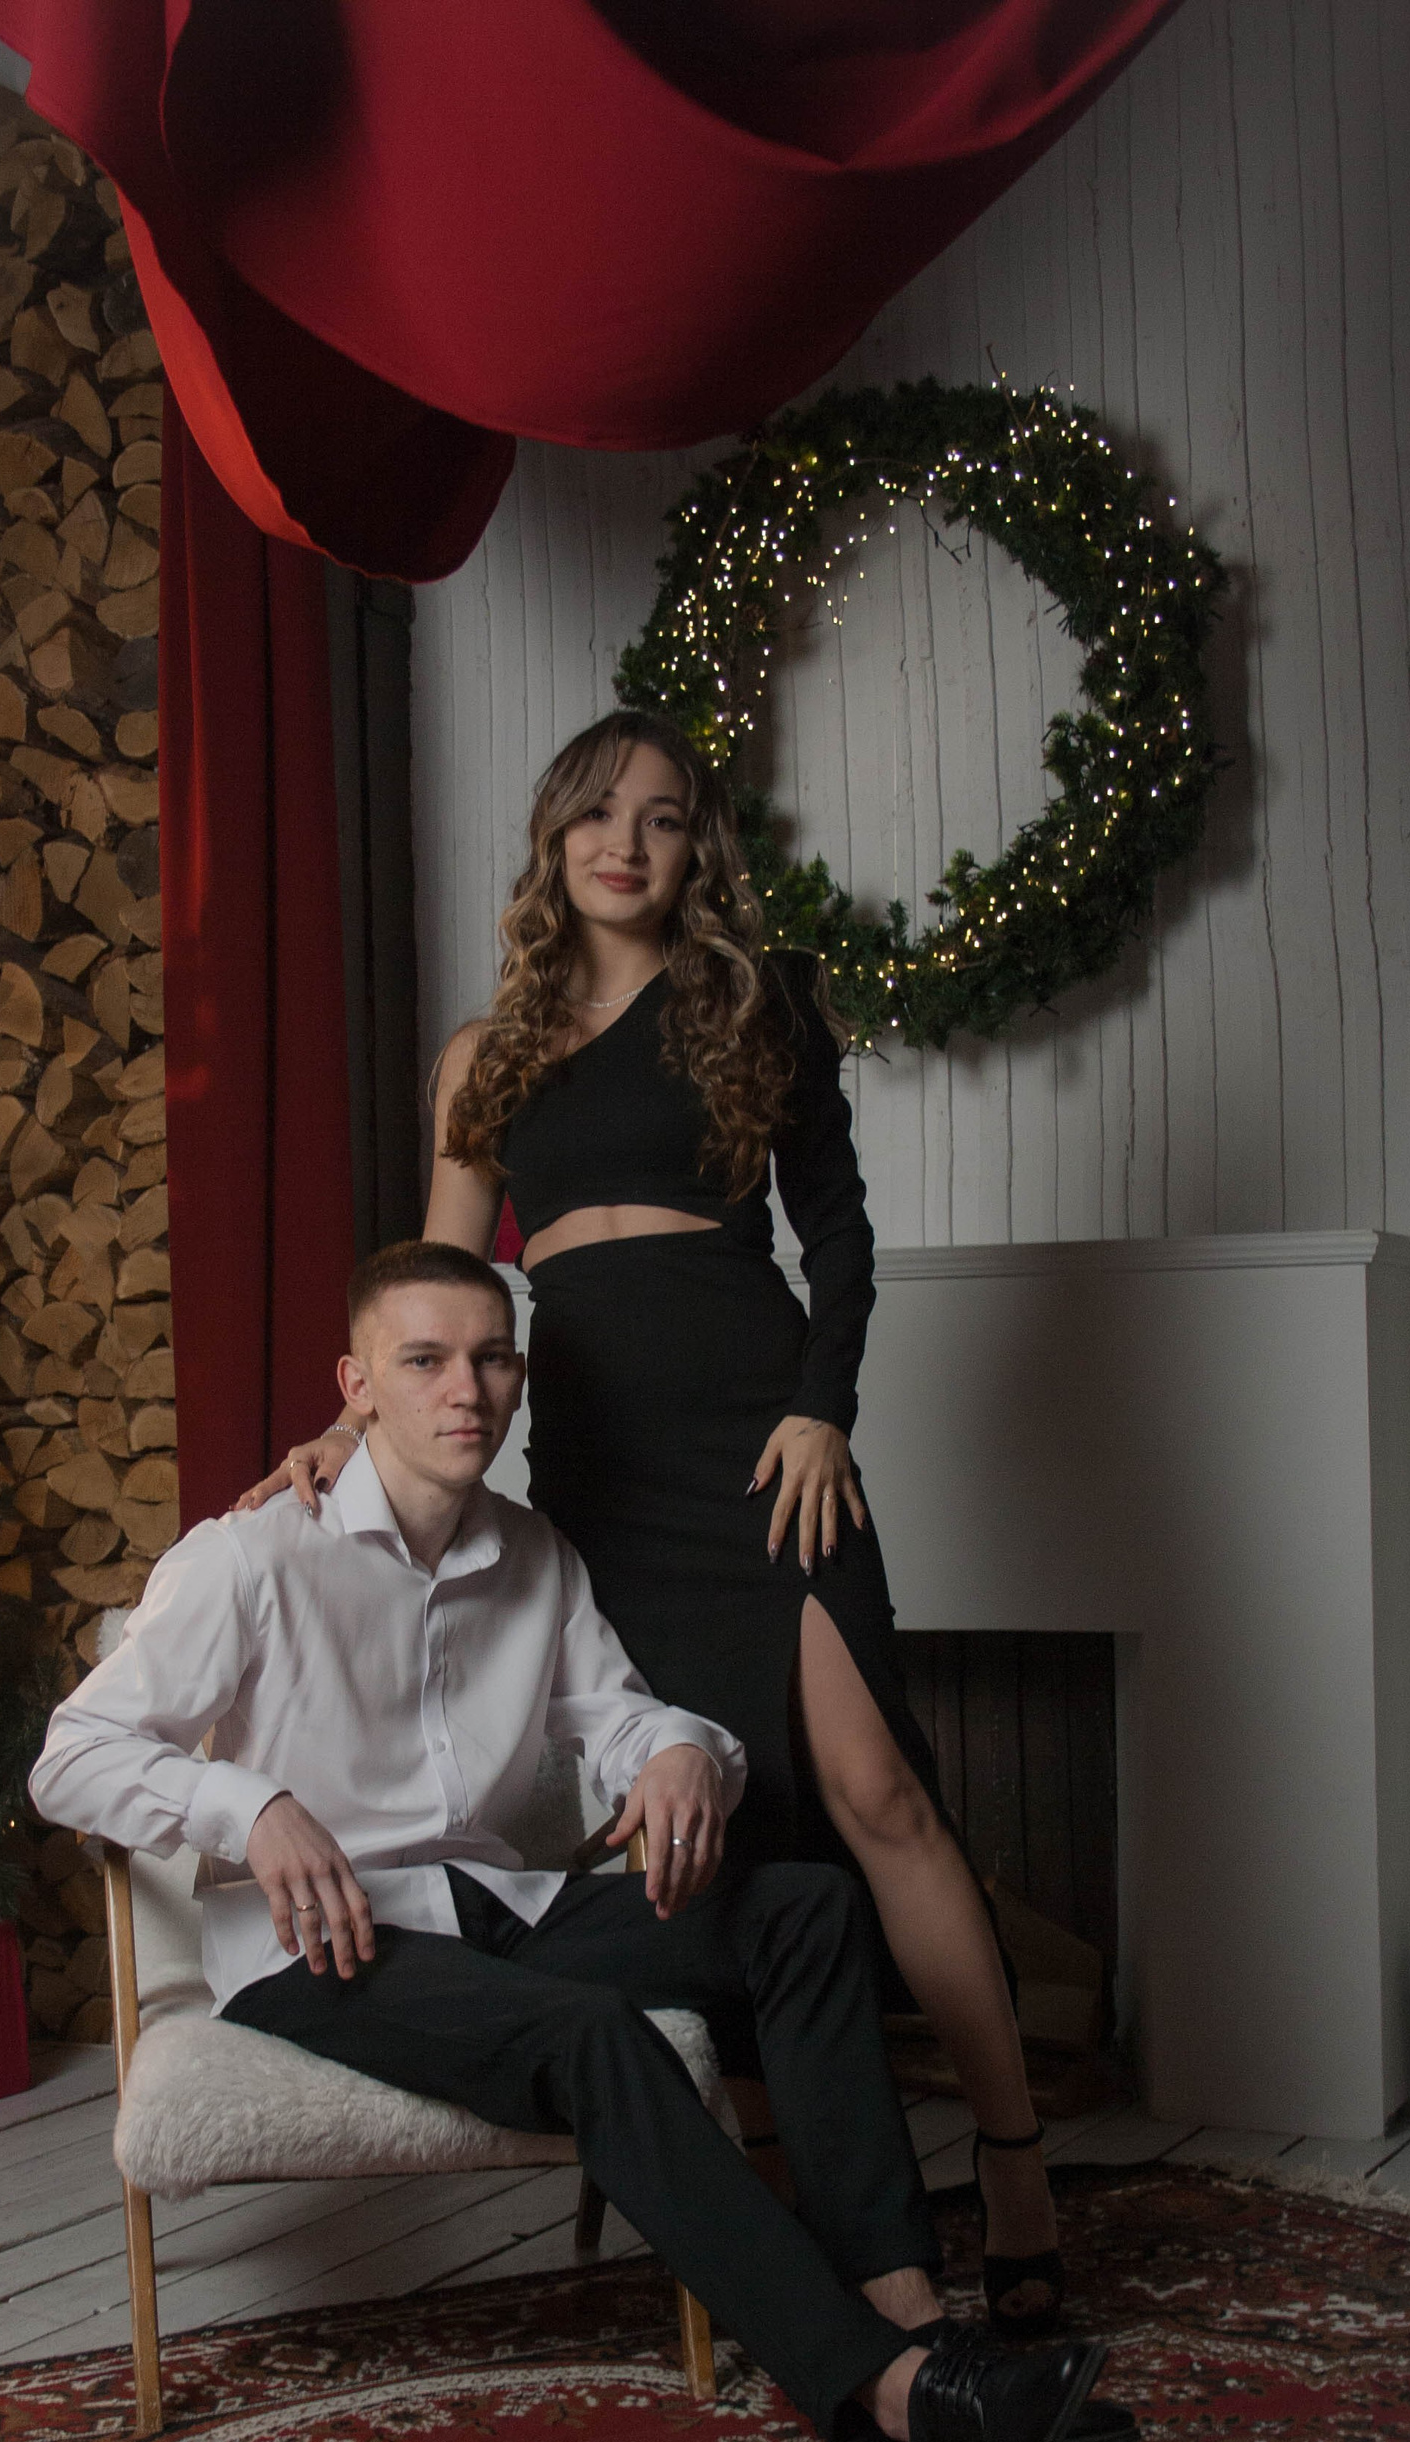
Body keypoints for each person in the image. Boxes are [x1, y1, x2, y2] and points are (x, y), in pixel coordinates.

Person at [34, 1243, 1114, 2442]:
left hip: (501, 1909)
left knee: (806, 1908)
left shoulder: (535, 1555)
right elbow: (71, 1756)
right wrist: (250, 1805)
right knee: (597, 2034)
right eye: (425, 1361)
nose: (467, 1390)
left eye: (493, 1359)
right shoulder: (252, 1558)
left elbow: (622, 1715)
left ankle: (913, 2315)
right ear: (356, 1386)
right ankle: (884, 2392)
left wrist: (678, 1755)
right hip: (324, 1945)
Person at [245, 714, 1068, 2336]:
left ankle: (1017, 2160)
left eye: (666, 817)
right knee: (709, 1826)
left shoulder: (757, 1005)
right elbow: (443, 1284)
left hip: (764, 1444)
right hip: (606, 1470)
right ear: (554, 837)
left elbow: (840, 1236)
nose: (627, 842)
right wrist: (346, 1427)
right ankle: (810, 2210)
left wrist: (823, 1406)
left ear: (700, 851)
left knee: (878, 1790)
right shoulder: (484, 1058)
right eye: (598, 813)